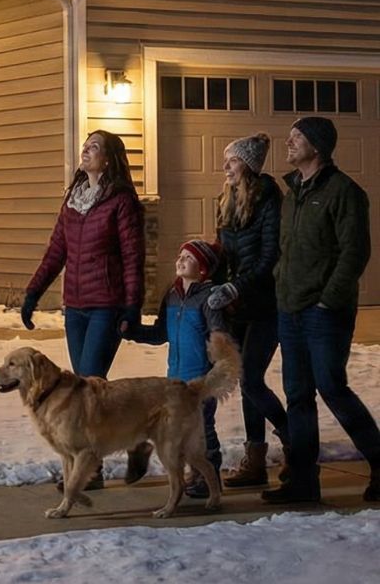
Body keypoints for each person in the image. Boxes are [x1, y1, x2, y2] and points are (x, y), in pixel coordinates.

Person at [263, 116, 380, 505]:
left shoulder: (344, 191)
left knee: (331, 387)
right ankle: (303, 482)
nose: (288, 142)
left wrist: (329, 298)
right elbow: (286, 248)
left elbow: (355, 252)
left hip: (324, 311)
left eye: (296, 138)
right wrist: (282, 283)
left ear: (317, 146)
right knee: (297, 395)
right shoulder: (293, 191)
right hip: (291, 308)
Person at [21, 130, 145, 487]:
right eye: (85, 145)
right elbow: (56, 252)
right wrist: (33, 293)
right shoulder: (73, 200)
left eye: (94, 147)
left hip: (107, 305)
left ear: (109, 159)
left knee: (90, 383)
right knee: (84, 391)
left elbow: (133, 258)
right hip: (75, 307)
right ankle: (117, 451)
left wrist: (131, 306)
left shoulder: (121, 201)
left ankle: (91, 469)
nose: (85, 150)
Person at [207, 132, 289, 488]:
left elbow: (270, 255)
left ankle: (295, 442)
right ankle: (254, 461)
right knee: (244, 380)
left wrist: (236, 286)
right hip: (236, 306)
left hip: (266, 304)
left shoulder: (270, 199)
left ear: (250, 166)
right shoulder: (225, 201)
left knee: (252, 378)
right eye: (226, 160)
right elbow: (224, 254)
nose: (226, 166)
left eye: (233, 160)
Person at [124, 239, 230, 497]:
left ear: (203, 268)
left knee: (203, 428)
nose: (180, 260)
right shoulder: (171, 295)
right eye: (180, 255)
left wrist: (217, 366)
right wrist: (134, 332)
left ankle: (208, 476)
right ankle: (190, 475)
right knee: (178, 429)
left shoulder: (209, 298)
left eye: (189, 258)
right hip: (174, 380)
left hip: (201, 378)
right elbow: (161, 333)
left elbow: (218, 334)